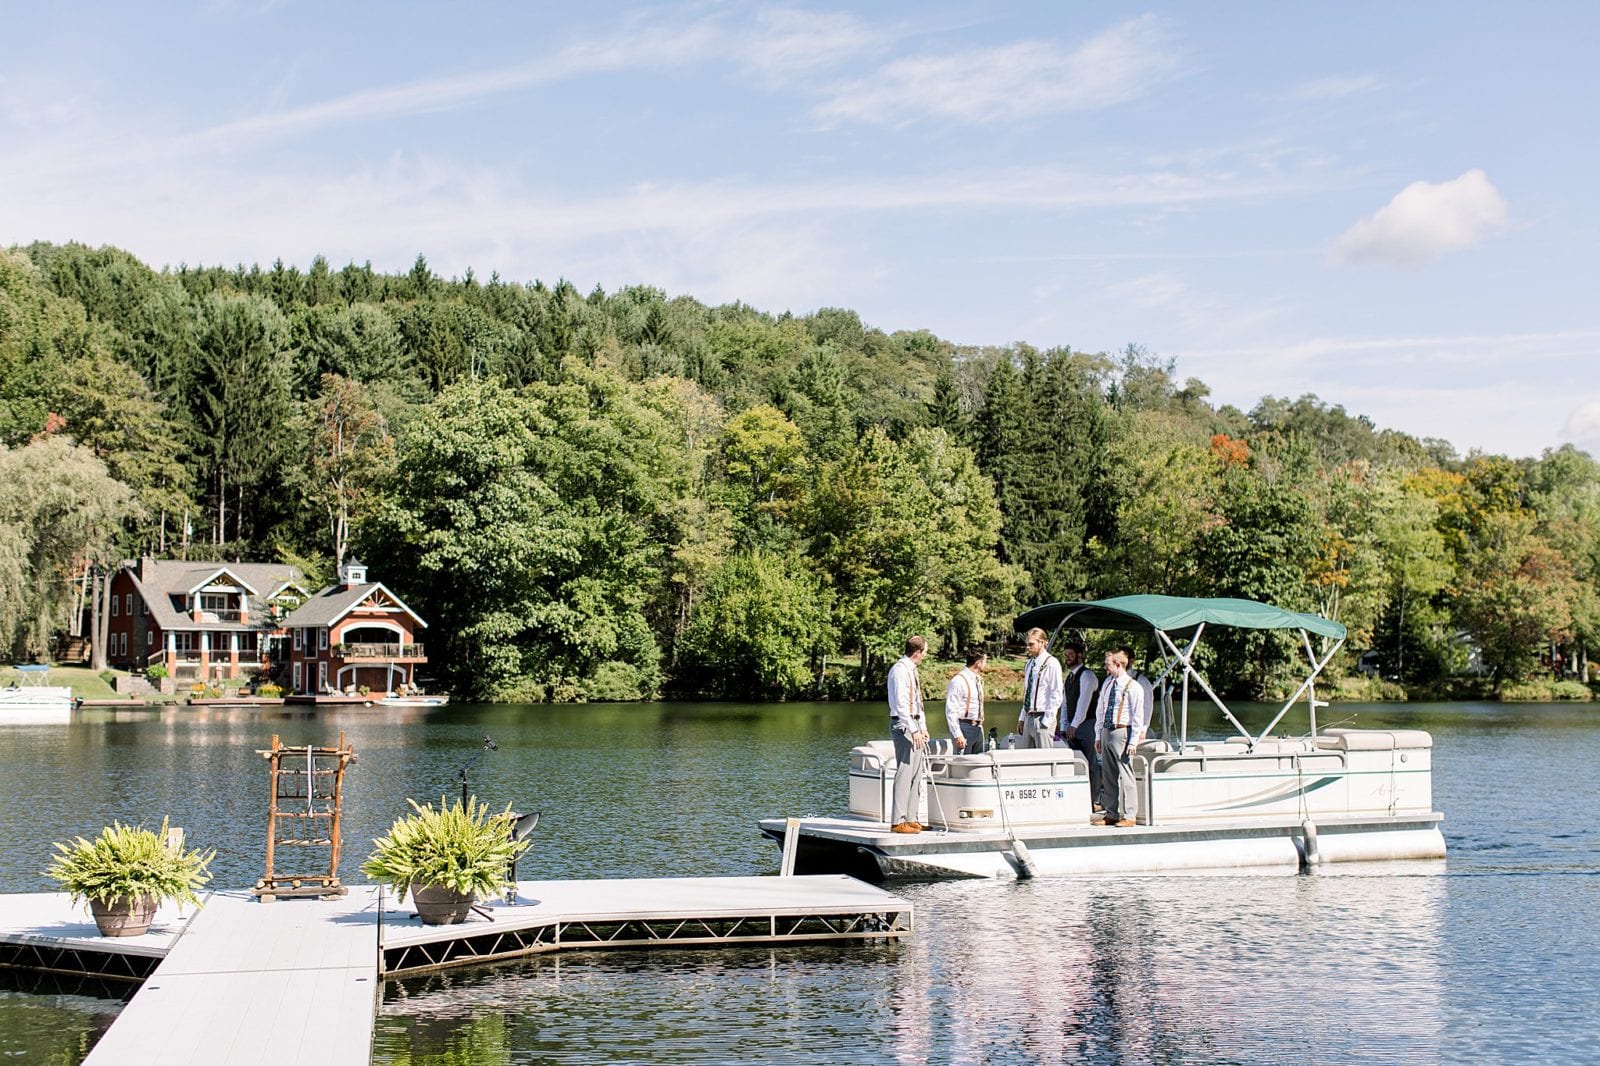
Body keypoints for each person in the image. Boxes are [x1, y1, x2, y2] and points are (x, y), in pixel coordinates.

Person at [1094, 646, 1147, 827]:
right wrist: (1098, 736)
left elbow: (1137, 716)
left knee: (1126, 773)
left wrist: (1133, 741)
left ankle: (1130, 814)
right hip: (1107, 730)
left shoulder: (1133, 687)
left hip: (1123, 731)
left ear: (1118, 665)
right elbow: (1100, 710)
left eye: (1108, 664)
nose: (1105, 667)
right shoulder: (1108, 684)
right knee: (1108, 775)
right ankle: (1111, 812)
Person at [887, 635, 930, 833]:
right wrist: (913, 729)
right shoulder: (899, 671)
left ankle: (911, 817)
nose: (925, 655)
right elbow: (901, 704)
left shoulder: (912, 671)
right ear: (918, 651)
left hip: (914, 725)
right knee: (905, 772)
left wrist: (923, 727)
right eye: (925, 651)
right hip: (903, 725)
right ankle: (898, 821)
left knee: (916, 773)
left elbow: (917, 703)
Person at [1057, 640, 1101, 810]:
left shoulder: (1087, 675)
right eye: (1066, 655)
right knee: (1076, 762)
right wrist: (1063, 726)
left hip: (1087, 724)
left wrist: (1074, 725)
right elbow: (1066, 703)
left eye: (1070, 655)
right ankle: (1080, 797)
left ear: (1079, 656)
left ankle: (1095, 799)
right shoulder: (1069, 678)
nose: (1067, 658)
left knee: (1090, 762)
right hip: (1072, 726)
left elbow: (1084, 703)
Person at [1015, 627, 1063, 749]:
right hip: (1029, 716)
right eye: (1027, 644)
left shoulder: (1052, 663)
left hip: (1042, 716)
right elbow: (1027, 694)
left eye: (1031, 644)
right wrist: (1022, 717)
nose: (1028, 647)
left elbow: (1056, 694)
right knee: (1027, 758)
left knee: (1044, 759)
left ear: (1042, 643)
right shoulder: (1030, 664)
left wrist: (1046, 721)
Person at [944, 646, 988, 754]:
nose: (986, 664)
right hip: (964, 727)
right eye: (985, 661)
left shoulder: (978, 680)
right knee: (962, 764)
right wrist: (957, 734)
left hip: (978, 727)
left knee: (978, 765)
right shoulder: (959, 681)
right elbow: (951, 710)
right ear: (978, 663)